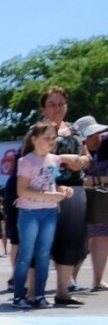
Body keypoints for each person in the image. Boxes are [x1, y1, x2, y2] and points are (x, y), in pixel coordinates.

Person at [12, 122, 77, 309]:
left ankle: (39, 295)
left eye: (53, 138)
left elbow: (51, 183)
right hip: (29, 212)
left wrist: (63, 190)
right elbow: (22, 191)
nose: (51, 141)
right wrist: (50, 196)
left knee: (43, 254)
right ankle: (19, 296)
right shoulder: (26, 161)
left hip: (50, 211)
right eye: (46, 137)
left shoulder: (54, 160)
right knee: (26, 254)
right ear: (34, 139)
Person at [40, 87, 92, 304]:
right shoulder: (38, 129)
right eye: (52, 104)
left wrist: (82, 160)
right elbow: (34, 157)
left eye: (61, 103)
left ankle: (62, 291)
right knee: (44, 241)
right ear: (43, 108)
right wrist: (64, 159)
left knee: (72, 240)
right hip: (48, 189)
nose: (57, 108)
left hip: (76, 189)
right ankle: (34, 291)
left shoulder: (75, 129)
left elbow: (87, 154)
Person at [73, 115, 108, 291]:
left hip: (103, 201)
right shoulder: (73, 150)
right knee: (82, 240)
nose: (96, 139)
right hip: (80, 200)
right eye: (90, 136)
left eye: (97, 134)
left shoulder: (106, 143)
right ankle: (70, 280)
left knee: (103, 238)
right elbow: (76, 180)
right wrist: (104, 179)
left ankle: (98, 281)